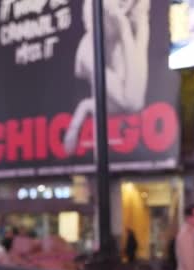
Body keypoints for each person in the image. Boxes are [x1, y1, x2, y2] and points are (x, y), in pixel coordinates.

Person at [64, 0, 150, 155]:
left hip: (117, 112)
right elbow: (132, 102)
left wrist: (125, 31)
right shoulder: (88, 50)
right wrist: (123, 29)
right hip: (113, 104)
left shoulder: (133, 27)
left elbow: (134, 100)